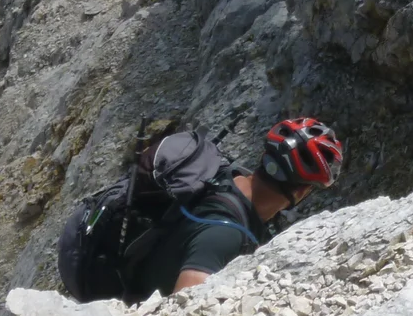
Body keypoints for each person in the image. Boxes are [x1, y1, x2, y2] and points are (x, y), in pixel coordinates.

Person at [126, 117, 344, 296]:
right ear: (302, 192)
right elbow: (179, 315)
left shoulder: (227, 177)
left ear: (264, 156)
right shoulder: (224, 234)